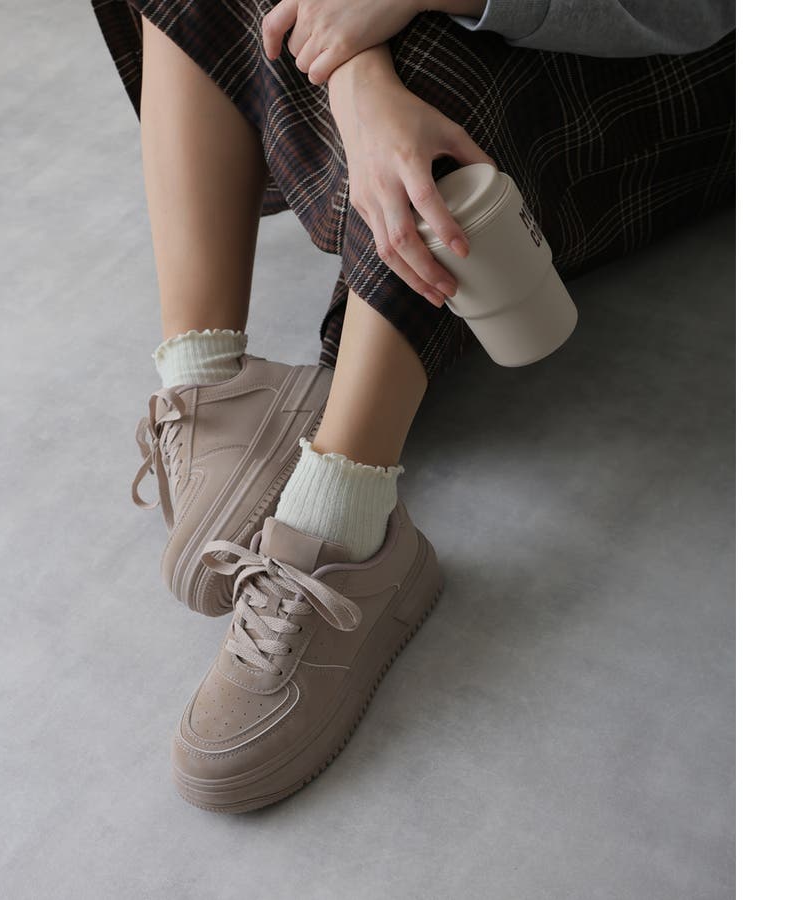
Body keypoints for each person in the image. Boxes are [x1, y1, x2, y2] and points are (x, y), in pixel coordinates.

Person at [91, 0, 735, 812]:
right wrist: (354, 67)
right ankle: (211, 383)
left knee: (433, 72)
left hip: (672, 68)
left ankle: (345, 524)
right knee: (371, 42)